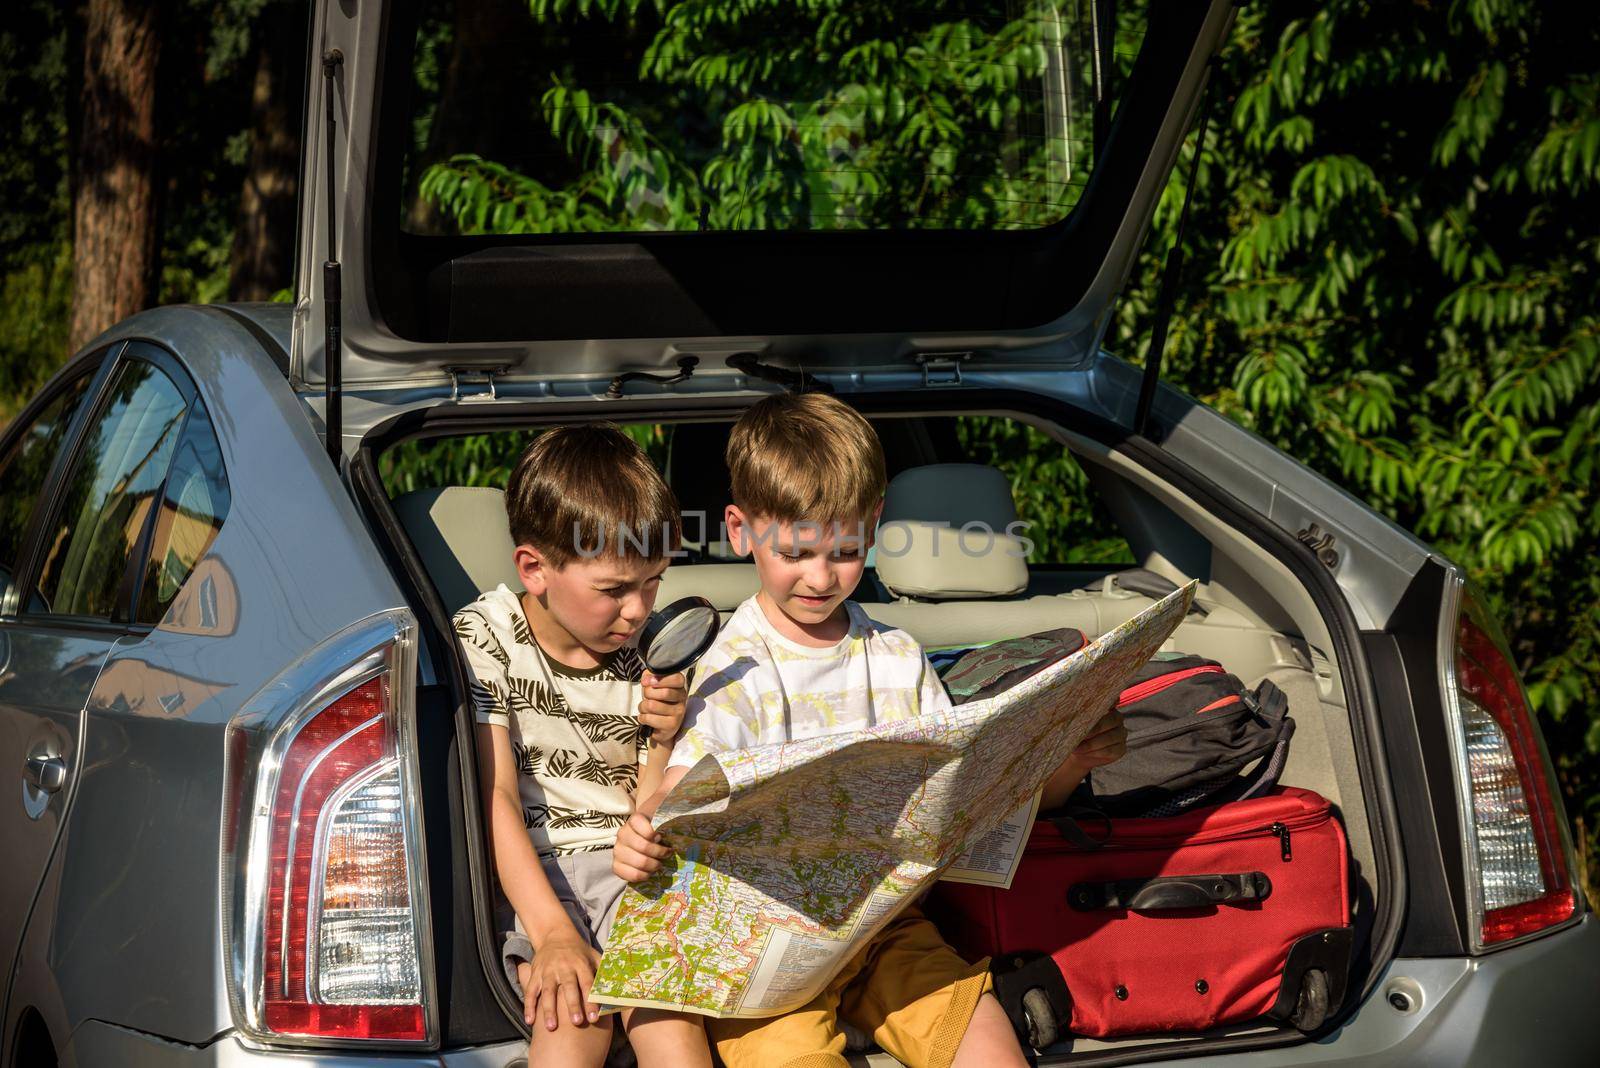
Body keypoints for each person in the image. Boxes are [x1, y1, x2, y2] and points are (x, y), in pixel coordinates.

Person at [612, 394, 1128, 1068]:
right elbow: (686, 789)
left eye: (847, 551)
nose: (822, 577)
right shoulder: (730, 663)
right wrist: (646, 828)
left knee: (988, 1044)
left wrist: (1064, 761)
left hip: (888, 927)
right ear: (740, 531)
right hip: (768, 947)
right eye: (797, 551)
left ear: (876, 527)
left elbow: (967, 798)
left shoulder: (896, 657)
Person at [454, 425, 710, 1067]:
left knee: (674, 1040)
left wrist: (663, 738)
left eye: (653, 582)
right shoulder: (485, 639)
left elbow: (652, 811)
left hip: (640, 880)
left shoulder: (655, 651)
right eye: (614, 589)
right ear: (534, 568)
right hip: (542, 883)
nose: (636, 609)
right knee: (570, 1023)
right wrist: (552, 935)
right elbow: (496, 798)